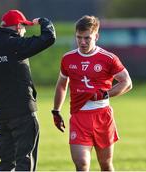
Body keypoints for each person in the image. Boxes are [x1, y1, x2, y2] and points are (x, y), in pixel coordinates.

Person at [51, 15, 132, 171]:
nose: (82, 42)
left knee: (106, 165)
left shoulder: (108, 58)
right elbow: (62, 84)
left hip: (102, 116)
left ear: (96, 36)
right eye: (78, 38)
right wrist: (56, 110)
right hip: (79, 117)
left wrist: (105, 94)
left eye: (87, 38)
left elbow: (127, 82)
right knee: (81, 164)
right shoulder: (68, 58)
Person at [0, 9, 56, 171]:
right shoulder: (14, 44)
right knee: (24, 162)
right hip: (23, 112)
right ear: (17, 26)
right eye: (24, 26)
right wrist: (44, 21)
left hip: (2, 117)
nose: (25, 30)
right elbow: (49, 38)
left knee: (6, 163)